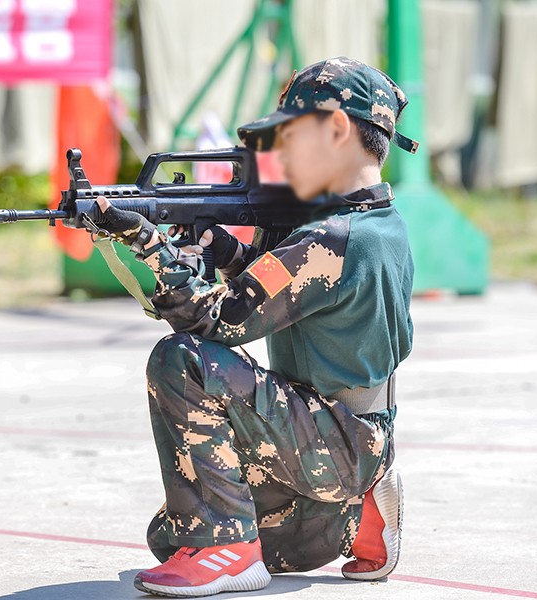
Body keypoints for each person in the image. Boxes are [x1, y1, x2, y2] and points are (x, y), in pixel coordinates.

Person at [97, 56, 416, 597]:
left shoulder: (332, 239)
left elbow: (217, 320)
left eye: (289, 137)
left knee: (184, 360)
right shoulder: (375, 227)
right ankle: (351, 518)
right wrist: (219, 246)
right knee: (168, 536)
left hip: (332, 443)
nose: (277, 155)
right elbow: (274, 286)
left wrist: (149, 245)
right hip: (347, 437)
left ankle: (229, 550)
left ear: (337, 130)